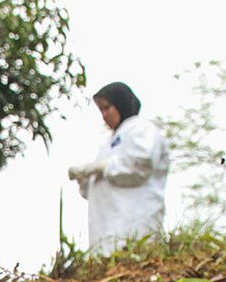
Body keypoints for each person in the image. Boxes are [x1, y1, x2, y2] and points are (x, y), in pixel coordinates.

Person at [67, 82, 169, 252]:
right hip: (105, 231)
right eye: (101, 111)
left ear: (121, 104)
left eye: (107, 108)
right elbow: (97, 188)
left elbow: (142, 164)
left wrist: (104, 167)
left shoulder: (141, 128)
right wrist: (84, 179)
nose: (104, 115)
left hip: (133, 223)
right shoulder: (109, 144)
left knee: (132, 255)